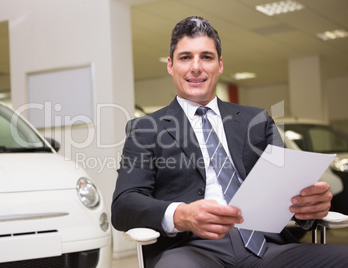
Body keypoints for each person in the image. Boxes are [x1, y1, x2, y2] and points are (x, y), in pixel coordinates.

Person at [111, 16, 348, 268]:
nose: (196, 67)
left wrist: (307, 207)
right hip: (190, 249)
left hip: (267, 246)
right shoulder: (146, 128)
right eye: (185, 57)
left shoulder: (256, 120)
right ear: (170, 66)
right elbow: (124, 205)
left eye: (206, 56)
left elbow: (284, 193)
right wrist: (181, 215)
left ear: (220, 64)